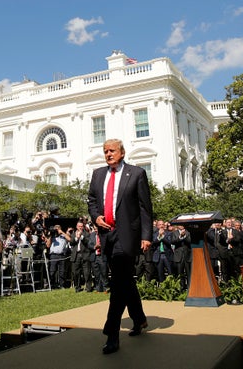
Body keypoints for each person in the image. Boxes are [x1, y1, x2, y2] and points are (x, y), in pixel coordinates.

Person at [88, 138, 153, 355]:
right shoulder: (98, 174)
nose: (108, 154)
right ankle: (140, 319)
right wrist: (96, 216)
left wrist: (146, 236)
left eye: (112, 151)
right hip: (107, 235)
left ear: (122, 153)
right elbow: (91, 200)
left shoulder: (136, 173)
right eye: (105, 151)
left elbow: (145, 207)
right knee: (124, 280)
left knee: (117, 283)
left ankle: (112, 332)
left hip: (128, 236)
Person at [69, 220, 92, 292]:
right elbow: (71, 243)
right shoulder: (73, 234)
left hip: (85, 255)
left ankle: (88, 288)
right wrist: (76, 237)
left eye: (81, 226)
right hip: (76, 255)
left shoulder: (87, 234)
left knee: (87, 272)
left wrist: (81, 237)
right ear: (76, 227)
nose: (80, 228)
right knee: (75, 272)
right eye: (79, 226)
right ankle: (77, 287)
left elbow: (88, 242)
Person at [172, 224, 192, 290]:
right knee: (180, 273)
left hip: (187, 256)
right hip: (179, 256)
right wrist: (180, 236)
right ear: (177, 226)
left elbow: (190, 241)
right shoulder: (174, 233)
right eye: (180, 225)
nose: (182, 226)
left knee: (188, 273)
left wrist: (185, 236)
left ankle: (190, 288)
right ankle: (181, 288)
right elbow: (173, 241)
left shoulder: (188, 232)